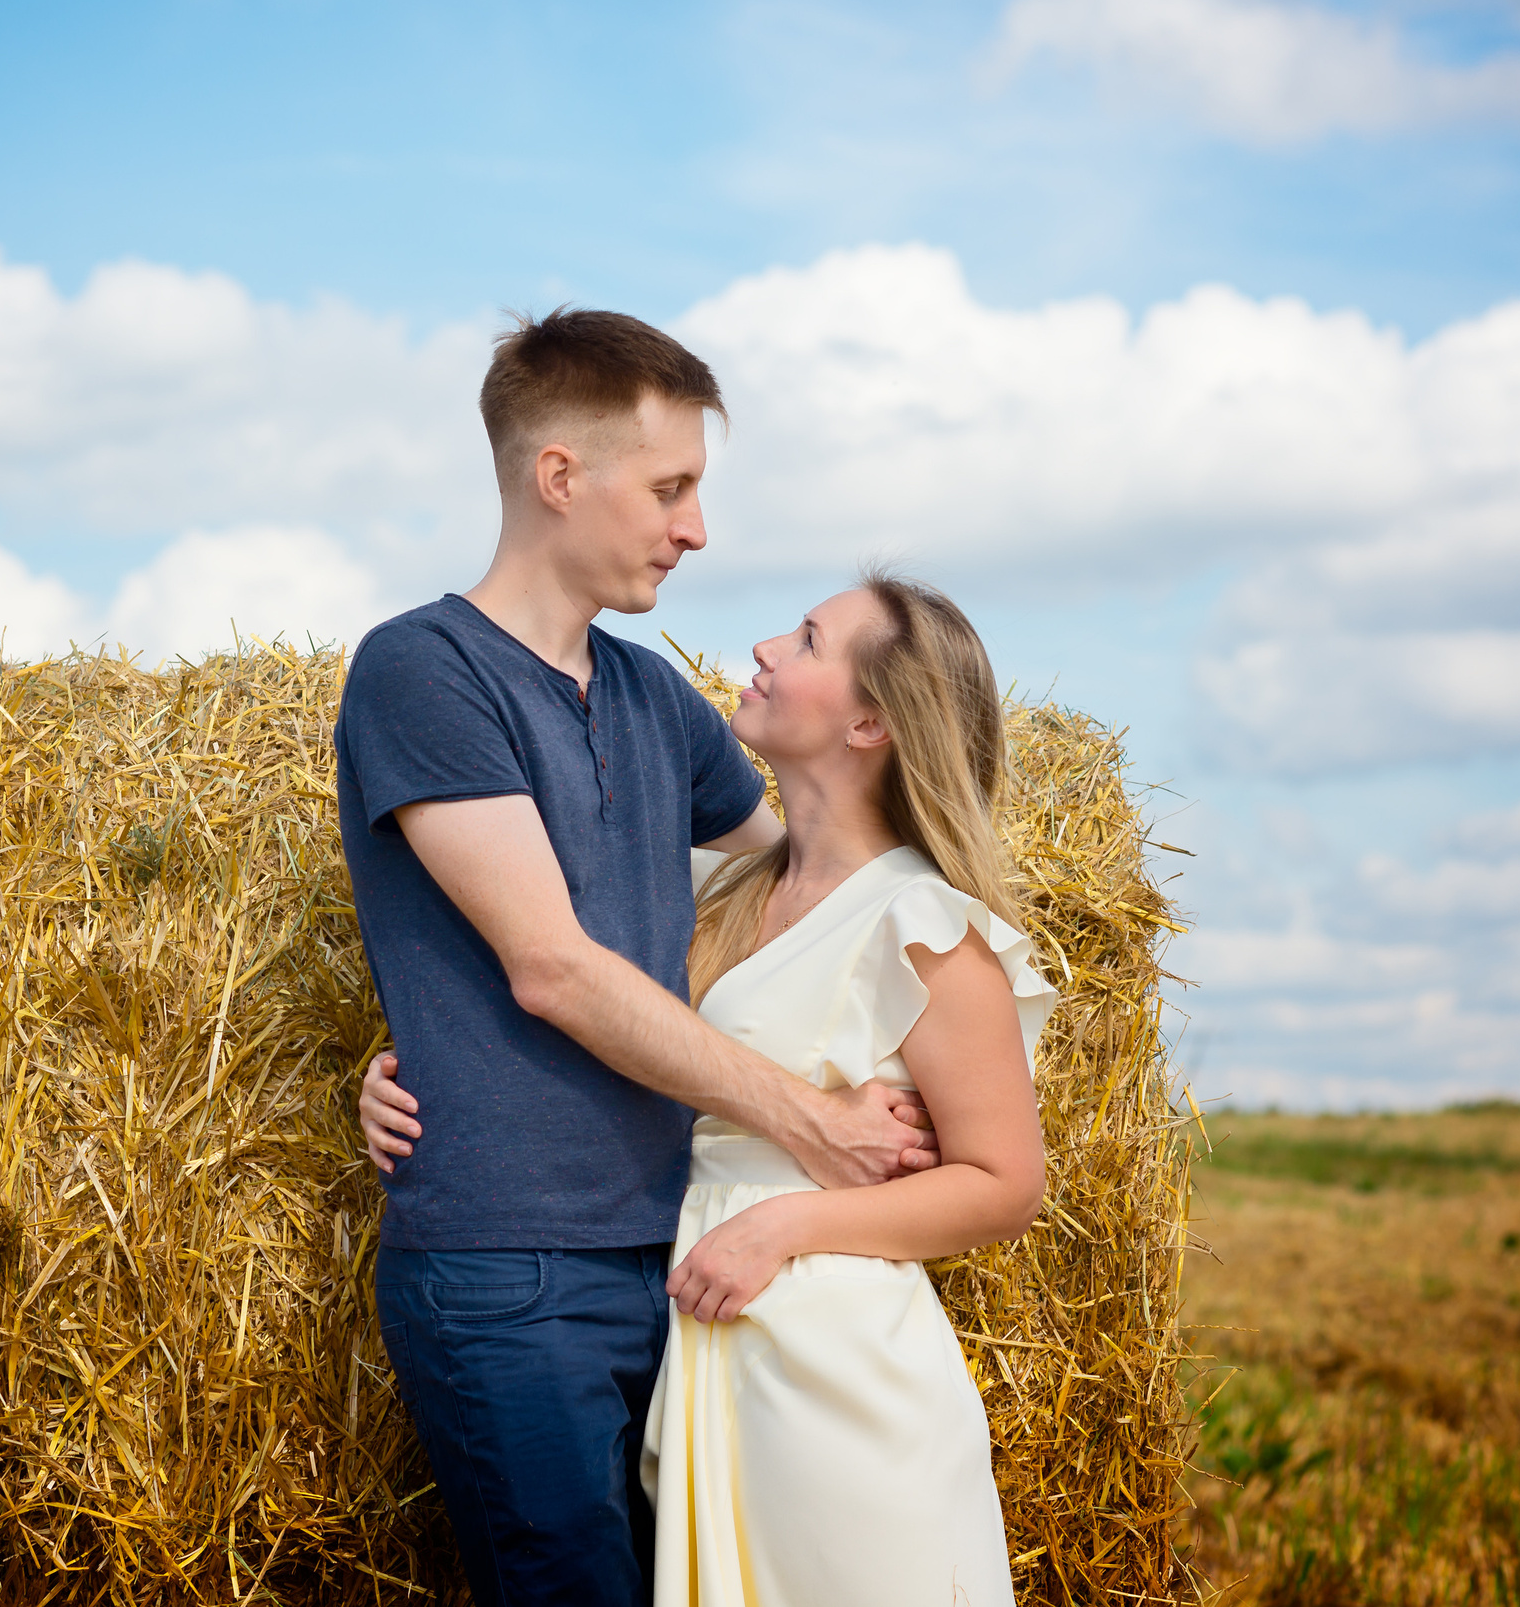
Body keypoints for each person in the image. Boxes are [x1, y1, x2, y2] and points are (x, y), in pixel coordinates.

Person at [333, 308, 941, 1607]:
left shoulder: (660, 700)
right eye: (671, 488)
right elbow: (550, 963)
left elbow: (810, 893)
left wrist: (928, 1027)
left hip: (673, 1256)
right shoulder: (422, 671)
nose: (696, 529)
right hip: (509, 1267)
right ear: (561, 476)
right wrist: (813, 1121)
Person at [370, 571, 1057, 1607]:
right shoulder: (712, 895)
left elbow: (1006, 1183)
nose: (770, 645)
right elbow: (582, 1002)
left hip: (836, 1364)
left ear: (870, 718)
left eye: (811, 638)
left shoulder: (925, 928)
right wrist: (396, 1067)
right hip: (705, 1335)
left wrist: (783, 1226)